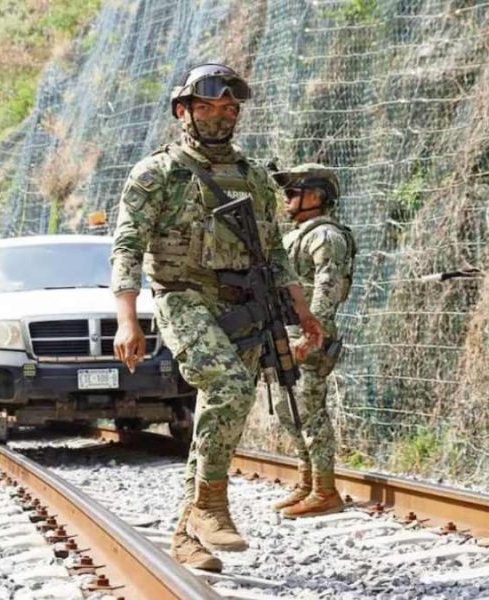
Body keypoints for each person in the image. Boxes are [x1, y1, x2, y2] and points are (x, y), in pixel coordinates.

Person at [111, 64, 324, 571]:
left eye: (229, 108)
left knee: (222, 410)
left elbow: (274, 251)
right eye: (206, 106)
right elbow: (127, 246)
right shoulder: (157, 173)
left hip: (244, 303)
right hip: (183, 296)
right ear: (182, 111)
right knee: (228, 387)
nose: (219, 116)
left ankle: (186, 534)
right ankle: (210, 504)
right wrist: (127, 318)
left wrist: (303, 311)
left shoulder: (254, 176)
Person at [270, 164, 356, 518]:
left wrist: (312, 332)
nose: (287, 198)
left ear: (317, 195)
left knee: (310, 411)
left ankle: (324, 490)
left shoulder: (325, 235)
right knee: (288, 410)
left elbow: (327, 286)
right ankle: (306, 482)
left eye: (293, 192)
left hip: (308, 336)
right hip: (288, 334)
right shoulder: (299, 234)